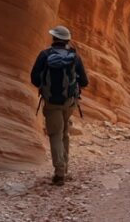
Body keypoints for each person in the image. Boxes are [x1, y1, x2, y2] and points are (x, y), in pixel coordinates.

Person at [30, 25, 89, 185]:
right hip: (69, 102)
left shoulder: (44, 55)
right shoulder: (74, 57)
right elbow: (84, 81)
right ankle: (65, 167)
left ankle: (59, 171)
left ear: (54, 38)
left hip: (51, 102)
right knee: (64, 133)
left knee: (55, 134)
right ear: (67, 40)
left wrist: (46, 84)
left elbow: (34, 79)